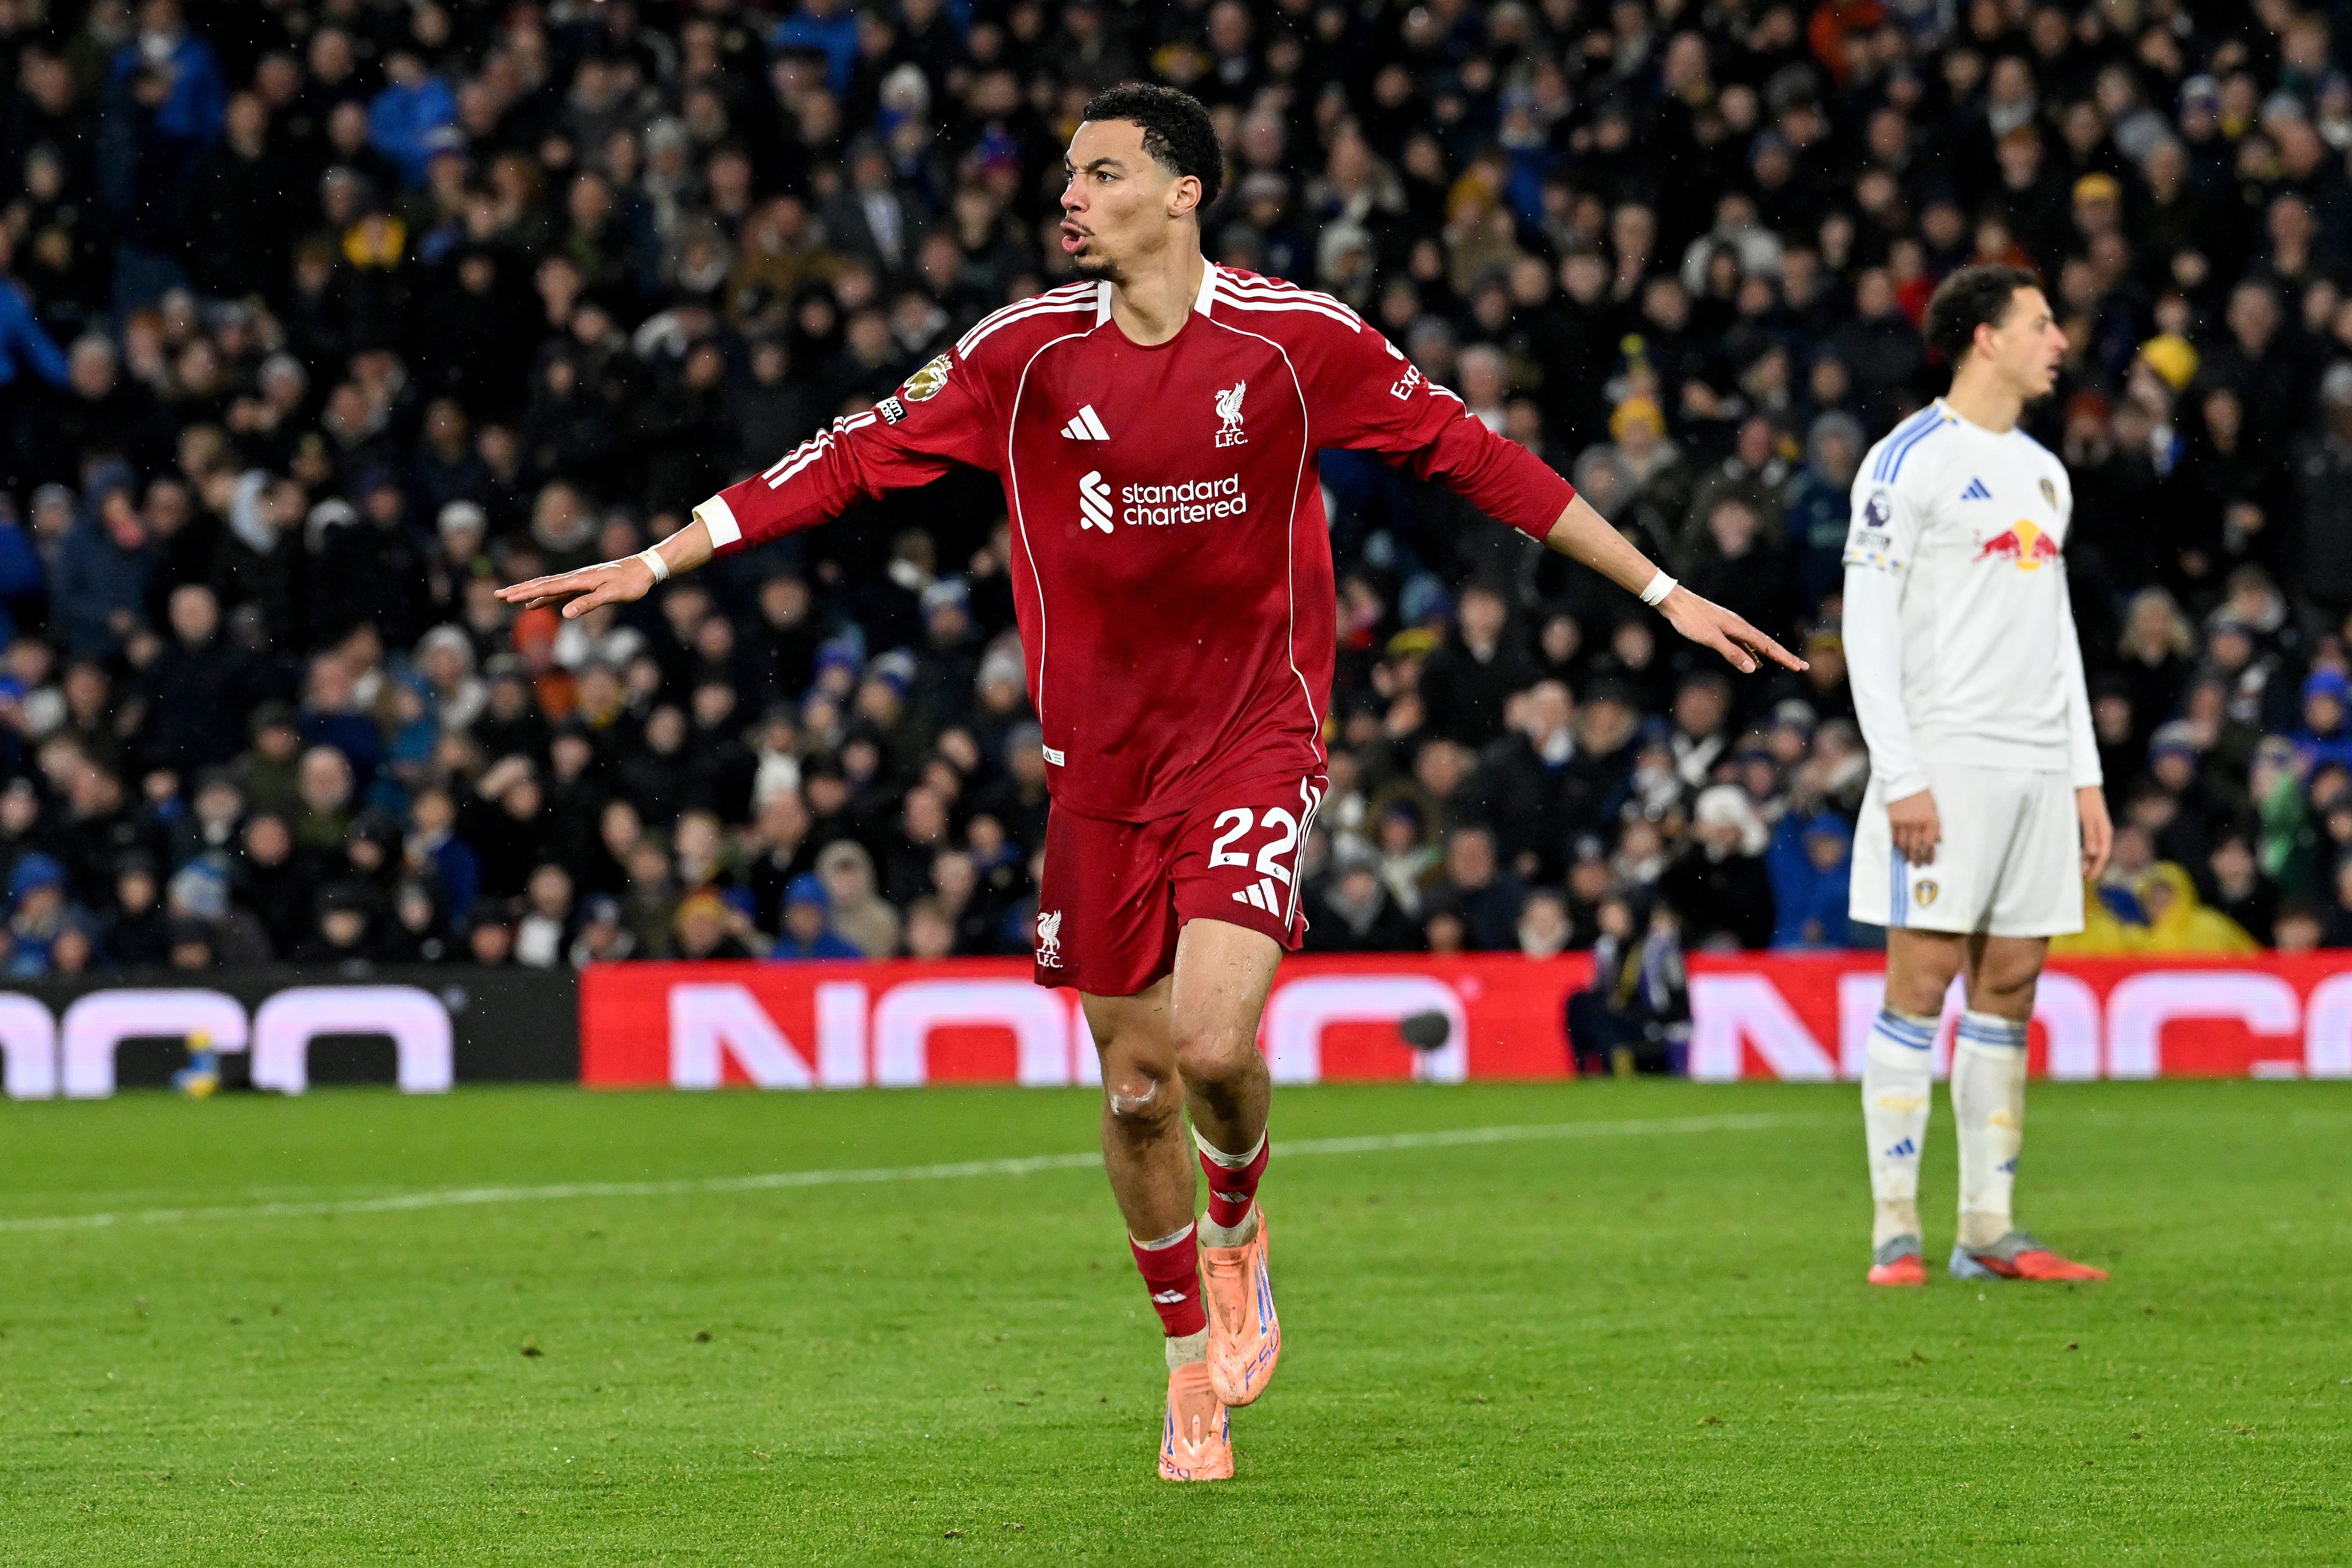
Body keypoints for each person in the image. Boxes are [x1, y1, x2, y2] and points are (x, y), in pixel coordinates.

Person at [499, 83, 1799, 1482]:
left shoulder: (1298, 343)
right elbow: (849, 457)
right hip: (1098, 775)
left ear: (1184, 192)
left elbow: (1478, 457)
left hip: (1253, 736)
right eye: (1069, 174)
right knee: (1132, 1095)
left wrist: (1662, 591)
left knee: (1217, 1050)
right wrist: (659, 558)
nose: (1070, 195)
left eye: (1102, 172)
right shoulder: (1023, 357)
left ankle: (1240, 1224)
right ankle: (1188, 1365)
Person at [1841, 265, 2113, 1291]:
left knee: (2010, 982)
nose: (2058, 342)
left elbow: (2057, 638)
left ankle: (1987, 1229)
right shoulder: (1904, 461)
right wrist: (1900, 773)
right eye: (2040, 325)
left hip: (2037, 763)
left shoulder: (2045, 473)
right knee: (1919, 979)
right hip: (1943, 759)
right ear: (1984, 338)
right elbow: (1864, 630)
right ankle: (1893, 1234)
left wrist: (2083, 777)